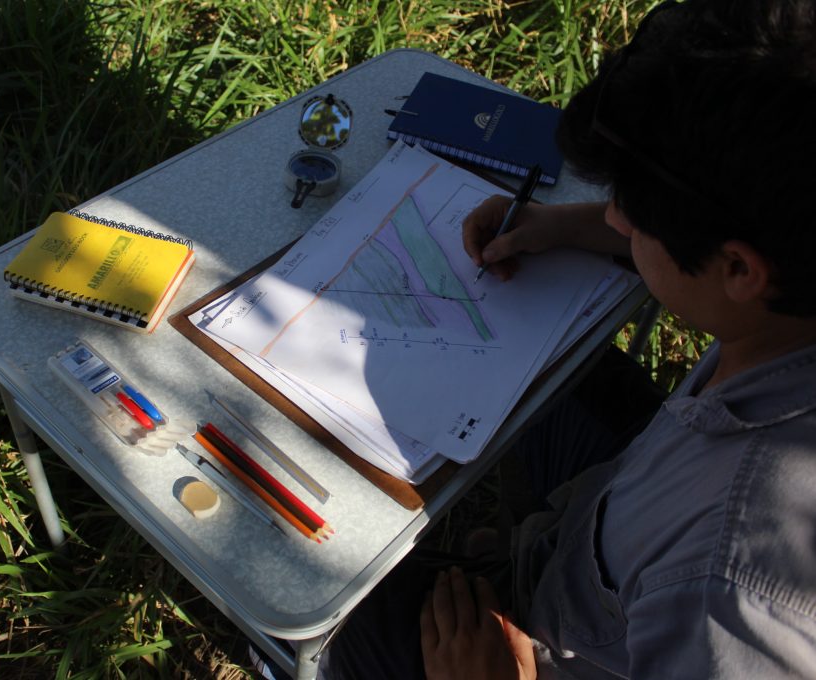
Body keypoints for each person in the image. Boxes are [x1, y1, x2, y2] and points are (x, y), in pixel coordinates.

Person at [324, 0, 816, 677]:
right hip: (612, 527)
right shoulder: (789, 289)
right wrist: (568, 226)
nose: (614, 215)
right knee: (549, 376)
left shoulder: (734, 592)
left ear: (738, 267)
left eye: (633, 214)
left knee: (341, 623)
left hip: (549, 650)